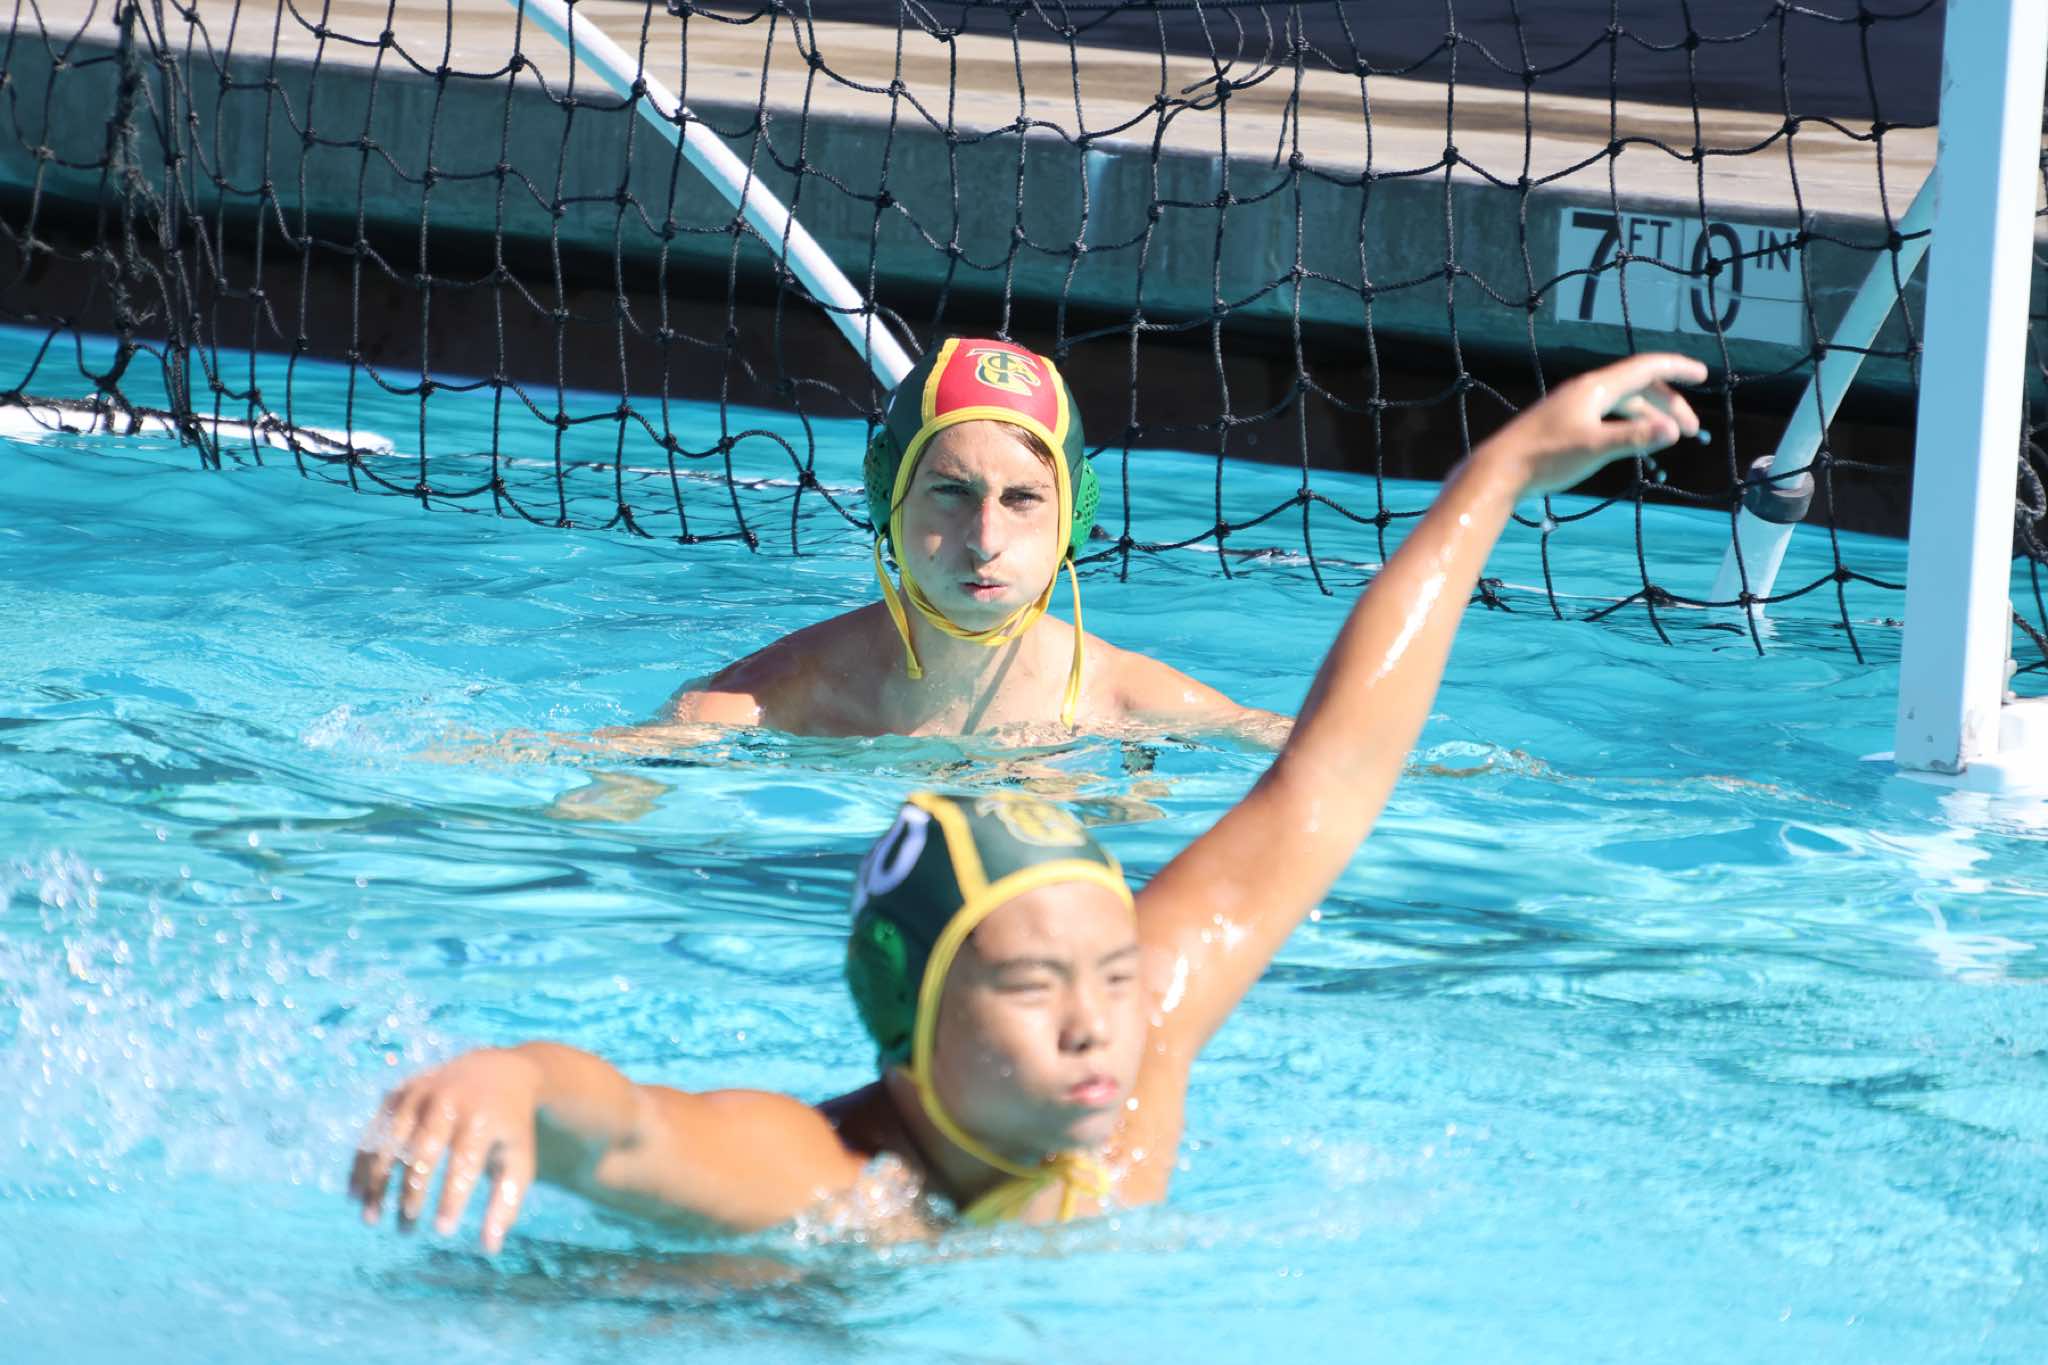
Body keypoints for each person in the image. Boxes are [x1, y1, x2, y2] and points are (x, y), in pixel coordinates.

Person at [349, 352, 1706, 1249]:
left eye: (1112, 971)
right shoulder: (842, 1190)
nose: (1094, 1024)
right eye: (1028, 983)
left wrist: (1495, 477)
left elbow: (1324, 778)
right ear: (911, 1019)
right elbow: (637, 1129)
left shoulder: (1134, 1048)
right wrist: (514, 1079)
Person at [615, 337, 1286, 745]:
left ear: (1075, 517)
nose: (985, 541)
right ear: (888, 495)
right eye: (951, 492)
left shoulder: (1130, 700)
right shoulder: (771, 698)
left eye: (1022, 498)